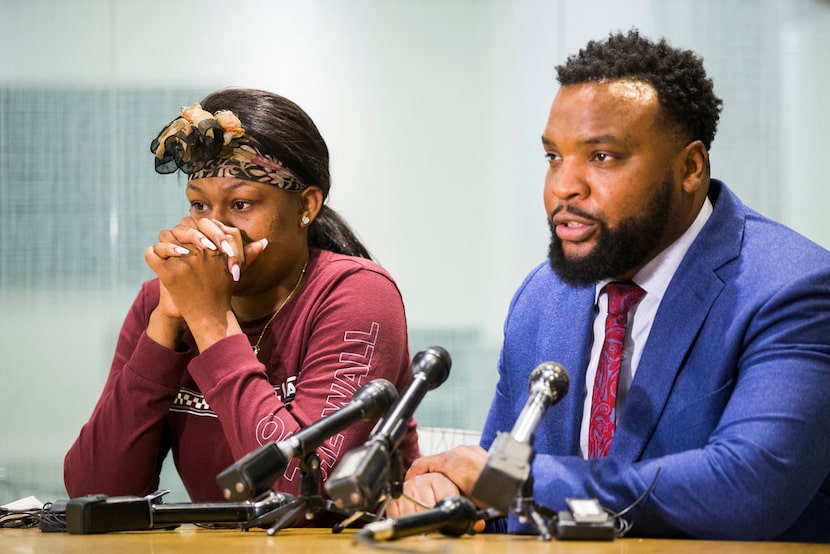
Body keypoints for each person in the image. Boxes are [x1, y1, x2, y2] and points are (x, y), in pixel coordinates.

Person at [387, 30, 830, 542]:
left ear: (690, 167)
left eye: (602, 157)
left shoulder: (794, 290)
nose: (563, 186)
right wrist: (451, 495)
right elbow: (498, 476)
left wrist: (519, 483)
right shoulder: (543, 298)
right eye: (553, 156)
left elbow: (747, 490)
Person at [64, 88, 419, 508]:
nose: (212, 229)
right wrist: (165, 326)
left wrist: (211, 322)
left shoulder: (357, 294)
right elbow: (94, 494)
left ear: (307, 205)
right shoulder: (162, 301)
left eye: (240, 203)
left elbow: (300, 494)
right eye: (198, 204)